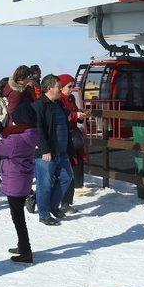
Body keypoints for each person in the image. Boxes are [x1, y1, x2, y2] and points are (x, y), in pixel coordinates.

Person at [0, 102, 39, 263]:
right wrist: (1, 129)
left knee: (18, 218)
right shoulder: (29, 133)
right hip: (22, 179)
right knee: (18, 216)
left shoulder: (16, 140)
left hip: (15, 181)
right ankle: (23, 246)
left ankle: (26, 252)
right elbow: (13, 139)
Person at [33, 74, 74, 226]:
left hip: (62, 152)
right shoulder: (39, 106)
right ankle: (44, 214)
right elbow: (38, 129)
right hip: (46, 153)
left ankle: (53, 206)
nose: (60, 89)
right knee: (44, 183)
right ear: (50, 88)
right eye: (58, 86)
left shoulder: (59, 104)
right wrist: (44, 149)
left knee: (66, 177)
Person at [58, 74, 88, 214]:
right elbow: (63, 117)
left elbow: (73, 115)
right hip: (63, 138)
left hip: (72, 137)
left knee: (69, 170)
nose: (71, 89)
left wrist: (80, 115)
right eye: (69, 86)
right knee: (62, 171)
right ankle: (41, 200)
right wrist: (76, 116)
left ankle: (66, 203)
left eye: (72, 86)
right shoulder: (58, 100)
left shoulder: (70, 98)